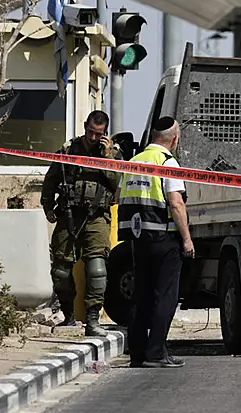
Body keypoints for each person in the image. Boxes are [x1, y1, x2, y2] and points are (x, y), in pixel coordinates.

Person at [117, 116, 194, 368]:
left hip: (137, 239)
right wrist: (187, 239)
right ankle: (157, 353)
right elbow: (176, 203)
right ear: (174, 139)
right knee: (165, 297)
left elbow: (120, 196)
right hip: (164, 237)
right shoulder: (167, 162)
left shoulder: (134, 161)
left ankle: (137, 353)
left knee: (141, 295)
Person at [40, 110, 123, 336]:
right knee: (60, 270)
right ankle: (68, 316)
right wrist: (48, 207)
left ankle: (93, 318)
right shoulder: (68, 149)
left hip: (97, 216)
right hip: (69, 214)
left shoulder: (113, 154)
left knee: (96, 268)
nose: (93, 138)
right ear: (85, 126)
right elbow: (51, 179)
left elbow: (118, 183)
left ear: (105, 133)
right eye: (90, 132)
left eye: (99, 134)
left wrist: (107, 158)